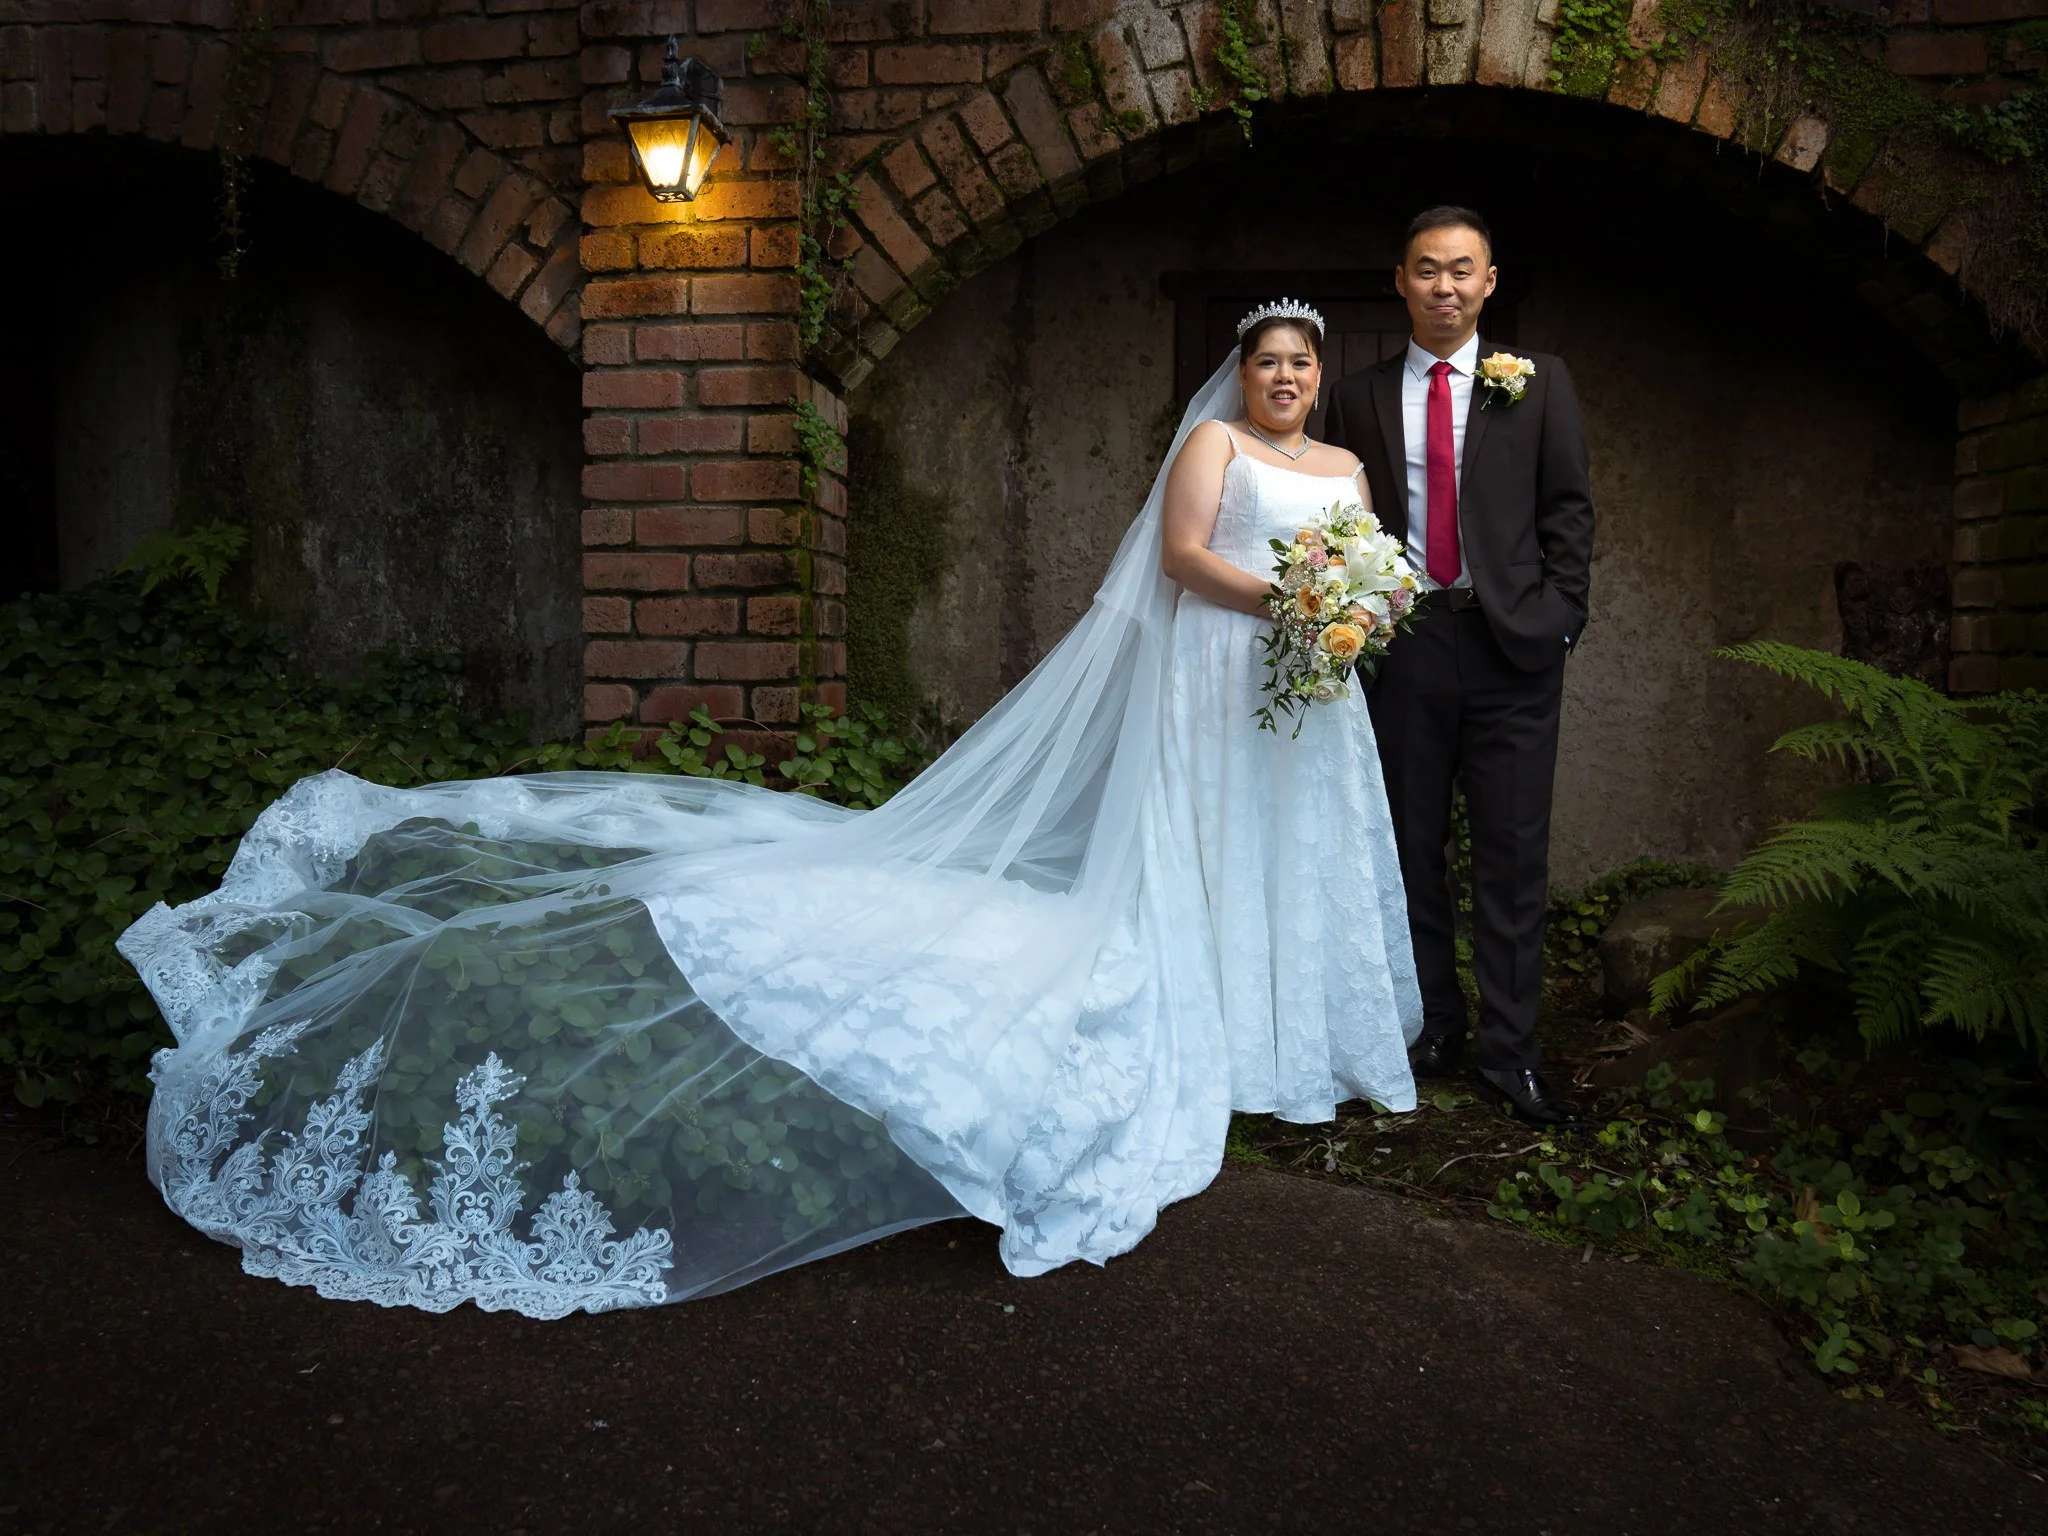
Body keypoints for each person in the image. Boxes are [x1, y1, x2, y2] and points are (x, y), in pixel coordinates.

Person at [119, 301, 1421, 1319]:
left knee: (1297, 858)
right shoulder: (1213, 445)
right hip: (1219, 677)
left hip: (1312, 696)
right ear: (1244, 374)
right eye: (1271, 363)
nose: (1289, 380)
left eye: (1305, 363)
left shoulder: (1350, 465)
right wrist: (1297, 601)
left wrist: (1349, 610)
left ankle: (1298, 1040)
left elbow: (1368, 562)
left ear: (1323, 372)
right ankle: (1225, 1032)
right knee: (1211, 852)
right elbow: (1189, 558)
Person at [1323, 207, 1596, 1128]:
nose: (1445, 285)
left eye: (1462, 270)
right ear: (1400, 281)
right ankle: (1432, 1025)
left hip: (1512, 647)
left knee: (1514, 855)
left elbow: (1569, 513)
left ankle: (1510, 1055)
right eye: (1427, 269)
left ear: (1489, 281)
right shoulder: (1358, 395)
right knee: (1409, 849)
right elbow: (1344, 523)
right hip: (1407, 646)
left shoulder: (1540, 383)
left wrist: (1560, 622)